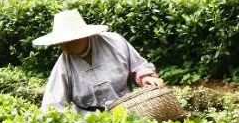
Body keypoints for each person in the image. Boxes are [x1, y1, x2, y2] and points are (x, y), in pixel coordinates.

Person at [35, 9, 163, 114]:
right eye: (61, 43)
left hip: (128, 111)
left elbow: (139, 66)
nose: (65, 47)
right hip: (89, 122)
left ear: (84, 36)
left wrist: (145, 77)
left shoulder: (115, 43)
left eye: (69, 41)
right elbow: (53, 102)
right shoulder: (64, 63)